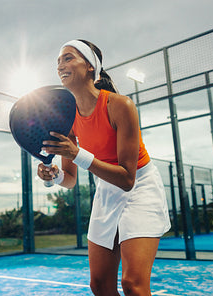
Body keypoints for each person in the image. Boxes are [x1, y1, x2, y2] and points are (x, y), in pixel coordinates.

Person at [37, 39, 171, 296]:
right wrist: (53, 176)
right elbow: (71, 179)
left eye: (68, 58)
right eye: (58, 61)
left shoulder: (121, 106)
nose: (60, 65)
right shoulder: (67, 117)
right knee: (99, 286)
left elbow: (127, 179)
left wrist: (78, 154)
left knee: (133, 284)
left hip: (140, 189)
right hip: (107, 192)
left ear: (89, 66)